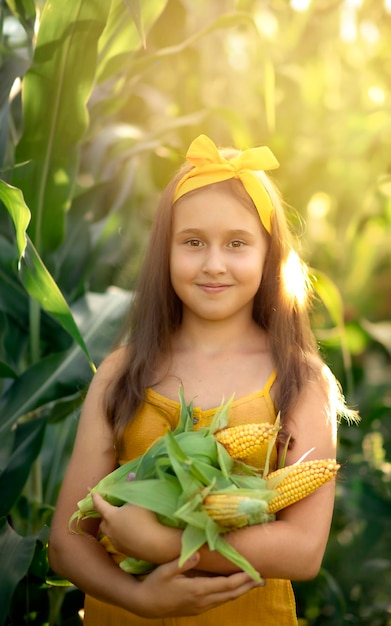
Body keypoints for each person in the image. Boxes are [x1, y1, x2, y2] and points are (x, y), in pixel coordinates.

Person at [49, 134, 355, 625]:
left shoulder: (300, 381)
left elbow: (302, 551)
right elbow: (67, 543)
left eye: (237, 243)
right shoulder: (124, 373)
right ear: (165, 252)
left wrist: (164, 543)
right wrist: (140, 600)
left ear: (268, 254)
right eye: (193, 242)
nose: (214, 264)